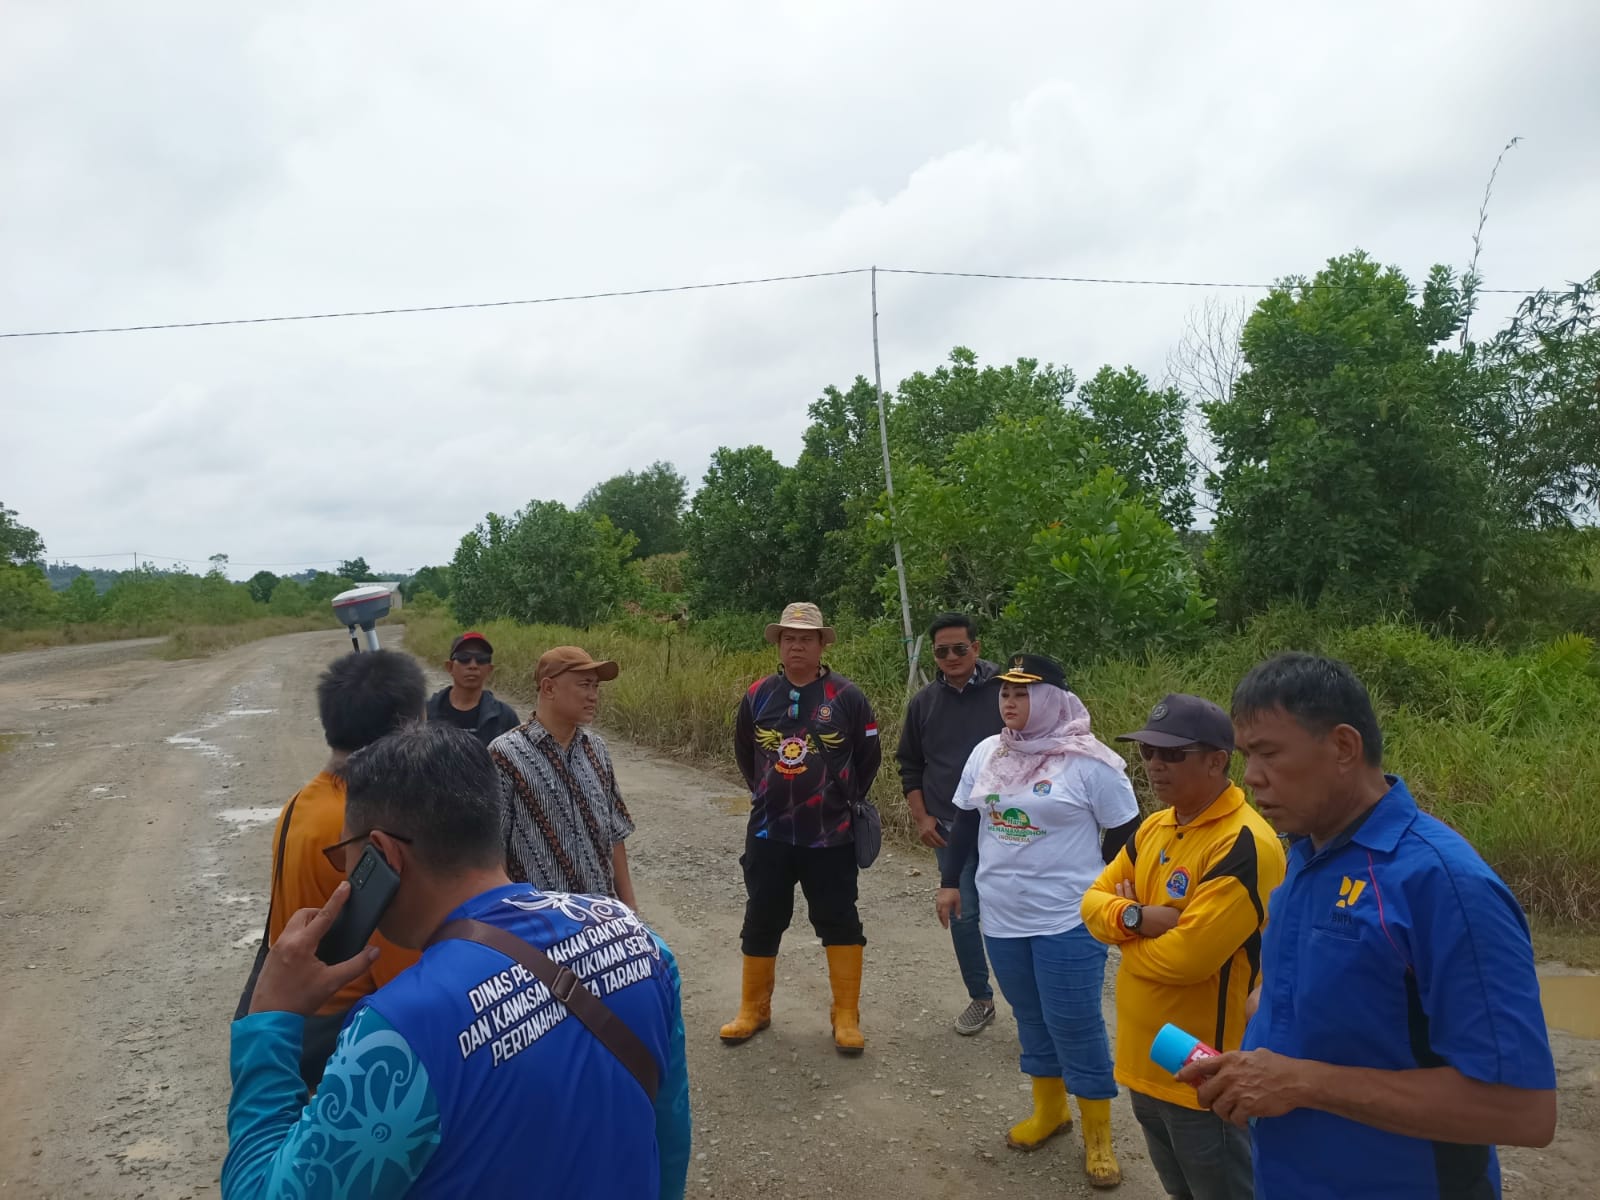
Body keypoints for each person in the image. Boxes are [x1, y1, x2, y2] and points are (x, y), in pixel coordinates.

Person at [222, 723, 692, 1199]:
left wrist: (268, 1023)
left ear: (383, 854)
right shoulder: (637, 938)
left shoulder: (397, 1031)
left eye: (348, 853)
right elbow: (668, 1141)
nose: (344, 872)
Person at [1180, 653, 1556, 1199]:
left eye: (1268, 754)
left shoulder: (1442, 884)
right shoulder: (1304, 854)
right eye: (1245, 756)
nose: (1251, 778)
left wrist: (1300, 1083)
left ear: (1342, 747)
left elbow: (1522, 1112)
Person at [936, 653, 1141, 1189]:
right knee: (1030, 1017)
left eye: (1024, 693)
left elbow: (1128, 832)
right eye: (1006, 691)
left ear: (1052, 699)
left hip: (1068, 916)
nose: (1009, 701)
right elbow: (964, 819)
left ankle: (1099, 1137)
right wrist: (950, 881)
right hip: (1003, 914)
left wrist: (1103, 882)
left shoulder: (1089, 763)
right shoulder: (988, 753)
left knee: (1075, 1021)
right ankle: (1051, 1113)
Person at [1082, 693, 1286, 1200]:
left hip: (1205, 1072)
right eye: (1148, 752)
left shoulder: (1243, 843)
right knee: (1180, 1191)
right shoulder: (1156, 826)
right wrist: (1137, 917)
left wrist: (1122, 939)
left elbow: (1187, 959)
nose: (1154, 764)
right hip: (1145, 1059)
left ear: (1217, 761)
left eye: (1172, 754)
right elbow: (1090, 904)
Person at [258, 649, 427, 1088]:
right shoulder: (363, 826)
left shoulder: (304, 802)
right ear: (407, 729)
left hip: (300, 1019)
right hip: (351, 1033)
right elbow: (401, 971)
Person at [719, 601, 882, 1055]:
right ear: (779, 644)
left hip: (830, 835)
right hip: (769, 832)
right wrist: (772, 793)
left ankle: (845, 1015)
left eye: (805, 638)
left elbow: (868, 758)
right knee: (762, 916)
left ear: (821, 644)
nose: (796, 645)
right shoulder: (758, 695)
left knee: (839, 919)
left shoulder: (847, 696)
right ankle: (754, 1008)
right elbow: (745, 754)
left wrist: (838, 795)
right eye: (788, 638)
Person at [897, 611, 1006, 1036]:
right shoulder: (924, 702)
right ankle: (981, 998)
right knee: (962, 911)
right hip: (948, 825)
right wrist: (921, 817)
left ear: (976, 648)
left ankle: (1033, 1003)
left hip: (1004, 827)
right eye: (942, 652)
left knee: (1010, 911)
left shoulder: (1005, 693)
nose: (951, 657)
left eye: (960, 648)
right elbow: (909, 763)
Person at [489, 645, 638, 910]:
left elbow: (615, 836)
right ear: (548, 688)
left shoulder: (596, 750)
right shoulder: (505, 754)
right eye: (584, 685)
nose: (593, 696)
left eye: (596, 687)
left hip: (600, 916)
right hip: (541, 920)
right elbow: (494, 850)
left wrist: (630, 911)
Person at [424, 630, 519, 746]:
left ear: (489, 669)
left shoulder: (505, 718)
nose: (473, 666)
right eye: (464, 658)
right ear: (449, 667)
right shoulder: (427, 712)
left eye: (481, 659)